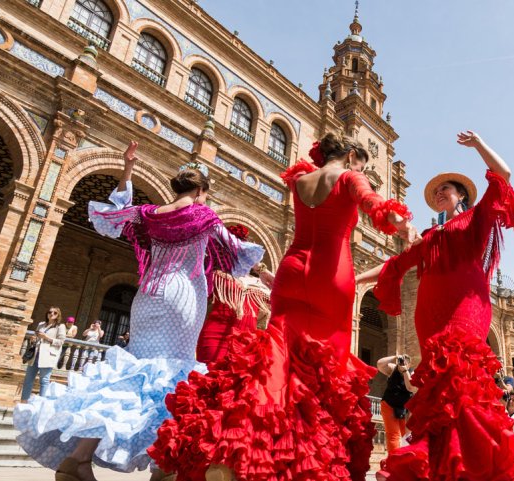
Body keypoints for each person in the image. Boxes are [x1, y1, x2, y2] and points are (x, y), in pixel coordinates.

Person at [149, 132, 417, 481]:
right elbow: (372, 204)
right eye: (361, 163)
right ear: (351, 156)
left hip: (291, 269)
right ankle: (300, 461)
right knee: (323, 372)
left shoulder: (302, 179)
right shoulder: (352, 176)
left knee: (275, 358)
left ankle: (234, 445)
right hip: (331, 275)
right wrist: (402, 223)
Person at [13, 140, 264, 481]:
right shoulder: (203, 214)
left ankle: (78, 459)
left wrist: (128, 169)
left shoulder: (150, 214)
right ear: (202, 191)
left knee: (132, 374)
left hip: (146, 296)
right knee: (174, 379)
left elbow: (114, 214)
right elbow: (237, 252)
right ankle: (166, 467)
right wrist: (271, 276)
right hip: (183, 296)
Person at [358, 131, 514, 481]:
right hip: (429, 314)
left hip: (467, 305)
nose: (439, 193)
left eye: (445, 189)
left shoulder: (475, 218)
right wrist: (355, 279)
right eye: (436, 192)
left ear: (461, 194)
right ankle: (450, 467)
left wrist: (479, 144)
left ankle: (490, 463)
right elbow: (394, 266)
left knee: (462, 379)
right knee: (440, 391)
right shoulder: (429, 236)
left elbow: (504, 176)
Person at [195, 223, 274, 364]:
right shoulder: (215, 274)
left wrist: (261, 269)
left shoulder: (260, 284)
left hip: (246, 347)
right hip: (214, 338)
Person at [19, 306, 66, 402]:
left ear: (58, 315)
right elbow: (37, 337)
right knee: (28, 379)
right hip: (35, 355)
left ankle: (40, 403)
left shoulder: (60, 326)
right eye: (50, 312)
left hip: (47, 355)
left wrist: (46, 337)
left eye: (54, 313)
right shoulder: (41, 324)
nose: (51, 314)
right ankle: (23, 402)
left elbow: (61, 342)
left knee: (44, 380)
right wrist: (33, 339)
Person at [377, 354, 419, 454]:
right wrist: (395, 357)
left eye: (405, 362)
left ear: (409, 365)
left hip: (405, 409)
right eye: (401, 361)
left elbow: (410, 388)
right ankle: (394, 461)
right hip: (389, 405)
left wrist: (405, 371)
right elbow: (379, 364)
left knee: (408, 435)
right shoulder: (393, 369)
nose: (402, 364)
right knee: (393, 434)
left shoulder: (411, 373)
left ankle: (409, 458)